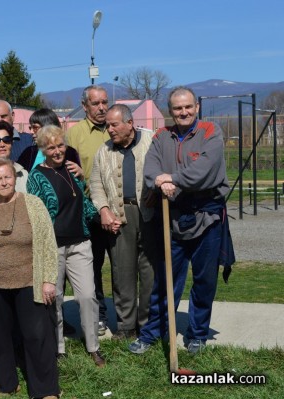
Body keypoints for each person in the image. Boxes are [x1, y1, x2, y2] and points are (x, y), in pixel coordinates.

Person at [129, 86, 235, 356]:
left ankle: (197, 334)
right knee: (165, 281)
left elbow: (204, 171)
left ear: (196, 107)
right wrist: (158, 180)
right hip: (172, 218)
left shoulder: (211, 132)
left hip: (207, 217)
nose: (183, 112)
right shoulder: (162, 136)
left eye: (188, 107)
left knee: (204, 281)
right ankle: (153, 332)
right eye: (177, 108)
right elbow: (151, 169)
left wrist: (171, 179)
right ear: (171, 111)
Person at [0, 158, 60, 399]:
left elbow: (49, 243)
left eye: (7, 177)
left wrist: (48, 279)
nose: (4, 182)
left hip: (29, 281)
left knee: (37, 335)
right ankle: (5, 385)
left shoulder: (34, 204)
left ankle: (45, 389)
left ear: (15, 178)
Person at [26, 126, 104, 367]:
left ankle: (93, 346)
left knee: (87, 296)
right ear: (43, 150)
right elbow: (36, 214)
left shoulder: (73, 169)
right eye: (51, 147)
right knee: (56, 298)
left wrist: (103, 216)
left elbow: (84, 203)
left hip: (80, 242)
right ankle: (58, 348)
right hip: (53, 247)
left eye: (60, 145)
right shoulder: (36, 176)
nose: (57, 151)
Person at [89, 104, 155, 340]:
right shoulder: (104, 151)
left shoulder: (151, 141)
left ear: (130, 123)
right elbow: (95, 185)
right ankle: (126, 326)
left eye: (114, 124)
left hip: (149, 215)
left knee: (149, 273)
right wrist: (104, 210)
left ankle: (148, 325)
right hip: (119, 216)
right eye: (107, 125)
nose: (110, 129)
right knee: (122, 273)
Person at [65, 85, 111, 335]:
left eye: (105, 102)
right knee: (93, 267)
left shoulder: (115, 127)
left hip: (117, 210)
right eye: (96, 103)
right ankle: (99, 314)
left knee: (122, 267)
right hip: (89, 212)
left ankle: (128, 318)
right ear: (85, 106)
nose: (102, 107)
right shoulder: (75, 135)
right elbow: (66, 173)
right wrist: (82, 177)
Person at [17, 108, 81, 173]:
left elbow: (76, 180)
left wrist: (81, 174)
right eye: (30, 128)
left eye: (35, 128)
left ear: (48, 127)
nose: (31, 132)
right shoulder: (28, 153)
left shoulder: (70, 153)